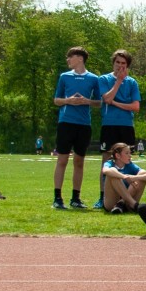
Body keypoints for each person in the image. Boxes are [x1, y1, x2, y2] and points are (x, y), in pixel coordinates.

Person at [52, 46, 103, 209]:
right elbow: (56, 100)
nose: (68, 60)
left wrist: (86, 101)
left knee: (79, 161)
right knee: (62, 160)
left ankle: (76, 198)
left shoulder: (94, 78)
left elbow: (99, 102)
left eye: (70, 57)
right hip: (66, 123)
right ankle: (57, 198)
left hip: (84, 125)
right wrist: (68, 101)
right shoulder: (64, 77)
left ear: (80, 58)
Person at [96, 50, 141, 155]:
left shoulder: (132, 82)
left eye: (123, 63)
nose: (120, 65)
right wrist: (119, 81)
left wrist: (115, 103)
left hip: (126, 124)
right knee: (107, 156)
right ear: (113, 63)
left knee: (126, 157)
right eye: (118, 62)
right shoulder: (104, 79)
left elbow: (136, 107)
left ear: (127, 65)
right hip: (109, 123)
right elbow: (107, 99)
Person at [99, 142, 146, 213]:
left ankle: (121, 203)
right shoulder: (110, 163)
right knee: (113, 173)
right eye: (127, 153)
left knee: (142, 175)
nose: (130, 155)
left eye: (130, 153)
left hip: (127, 205)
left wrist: (133, 178)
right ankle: (133, 204)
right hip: (111, 204)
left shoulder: (130, 165)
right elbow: (105, 170)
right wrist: (124, 176)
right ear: (118, 155)